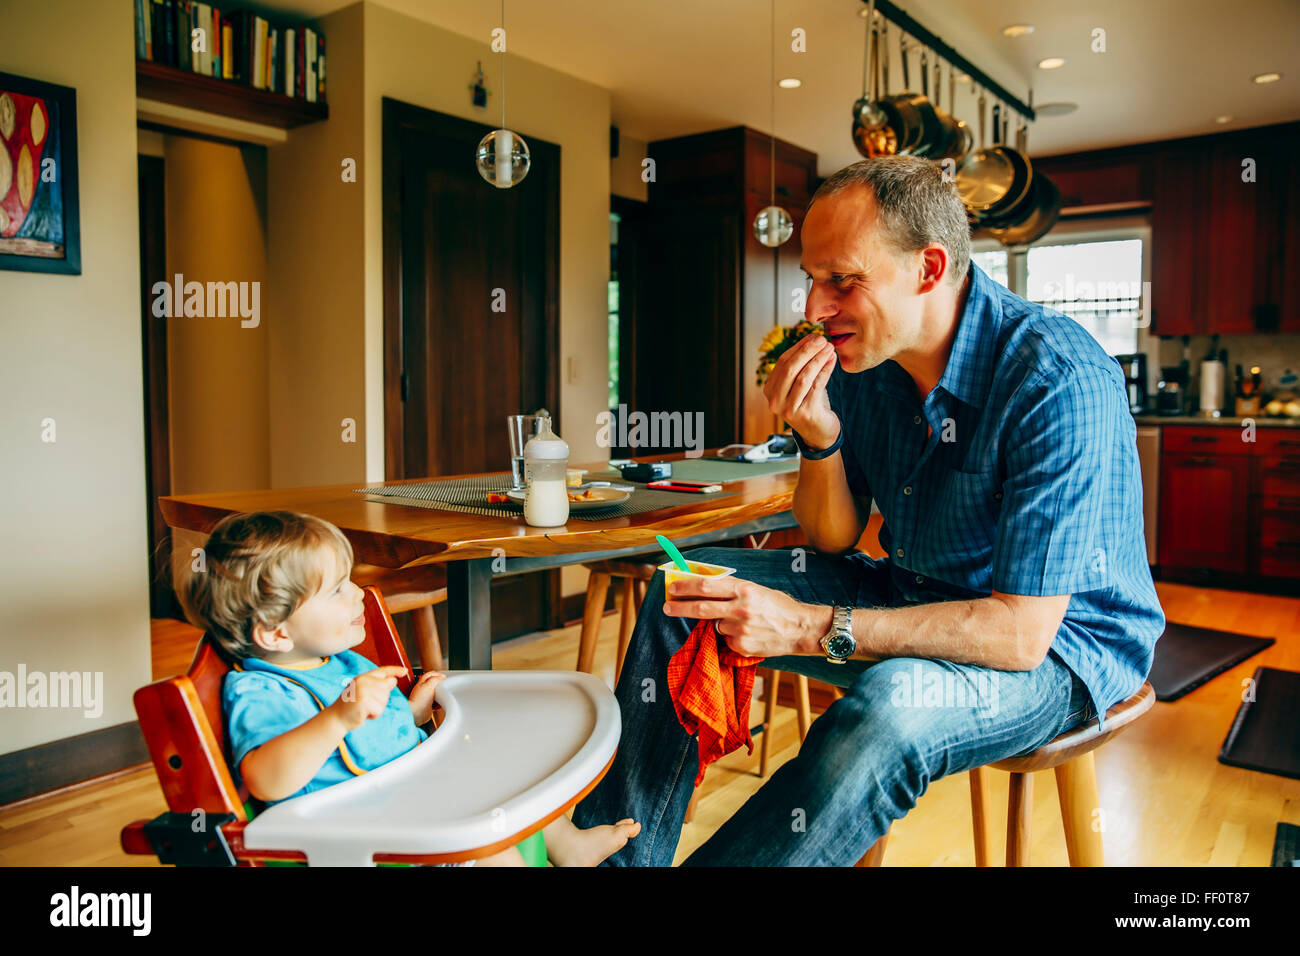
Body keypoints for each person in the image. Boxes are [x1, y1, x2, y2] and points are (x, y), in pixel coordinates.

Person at [573, 155, 1164, 866]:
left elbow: (1018, 635)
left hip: (1063, 648)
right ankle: (613, 861)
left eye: (842, 281)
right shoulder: (866, 363)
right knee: (686, 594)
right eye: (812, 280)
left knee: (889, 709)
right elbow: (835, 535)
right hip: (915, 590)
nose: (815, 309)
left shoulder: (1056, 381)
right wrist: (818, 437)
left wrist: (809, 625)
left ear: (929, 267)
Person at [179, 509, 640, 867]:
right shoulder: (261, 692)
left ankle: (569, 845)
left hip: (404, 798)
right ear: (276, 633)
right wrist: (337, 717)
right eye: (337, 590)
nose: (359, 594)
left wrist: (411, 714)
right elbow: (266, 779)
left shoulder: (336, 660)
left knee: (500, 774)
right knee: (483, 842)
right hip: (358, 834)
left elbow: (372, 735)